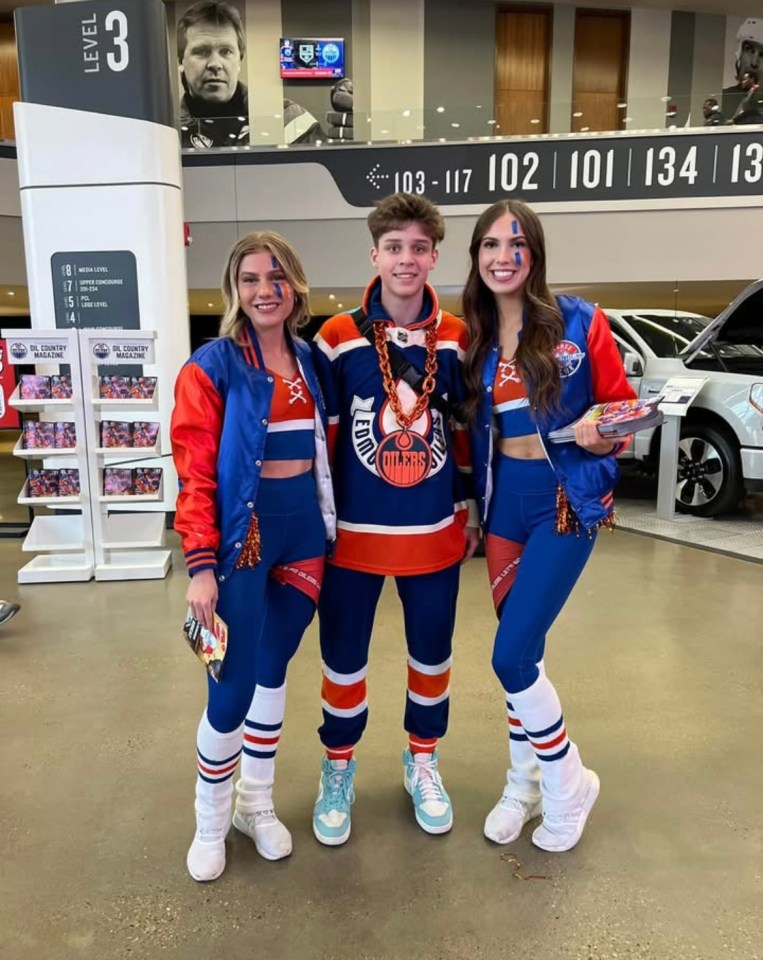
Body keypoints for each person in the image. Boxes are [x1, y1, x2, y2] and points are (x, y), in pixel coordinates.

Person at [462, 200, 636, 853]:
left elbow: (621, 403)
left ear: (533, 254)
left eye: (515, 244)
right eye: (489, 245)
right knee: (523, 655)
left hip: (563, 499)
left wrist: (603, 434)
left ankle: (567, 783)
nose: (502, 256)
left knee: (507, 654)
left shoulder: (576, 321)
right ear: (475, 257)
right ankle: (522, 783)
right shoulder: (473, 338)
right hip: (503, 503)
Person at [310, 193, 479, 845]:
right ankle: (337, 767)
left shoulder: (460, 337)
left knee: (431, 657)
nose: (405, 260)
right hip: (351, 539)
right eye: (393, 247)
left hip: (432, 535)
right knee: (342, 661)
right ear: (372, 254)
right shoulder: (335, 337)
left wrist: (467, 508)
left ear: (434, 256)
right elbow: (320, 438)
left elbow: (465, 436)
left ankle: (422, 760)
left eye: (417, 248)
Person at [171, 232, 336, 881]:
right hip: (243, 541)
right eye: (249, 279)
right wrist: (200, 566)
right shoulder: (212, 366)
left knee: (274, 670)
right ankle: (209, 822)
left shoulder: (311, 362)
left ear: (293, 285)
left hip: (303, 539)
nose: (264, 290)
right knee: (231, 684)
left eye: (275, 277)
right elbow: (195, 474)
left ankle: (255, 805)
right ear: (233, 290)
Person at [177, 0, 250, 148]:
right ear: (181, 61)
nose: (215, 64)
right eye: (201, 52)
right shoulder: (166, 129)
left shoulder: (288, 119)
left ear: (239, 61)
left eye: (226, 52)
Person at [723, 18, 763, 118]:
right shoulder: (724, 97)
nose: (754, 63)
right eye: (749, 50)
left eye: (762, 55)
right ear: (739, 54)